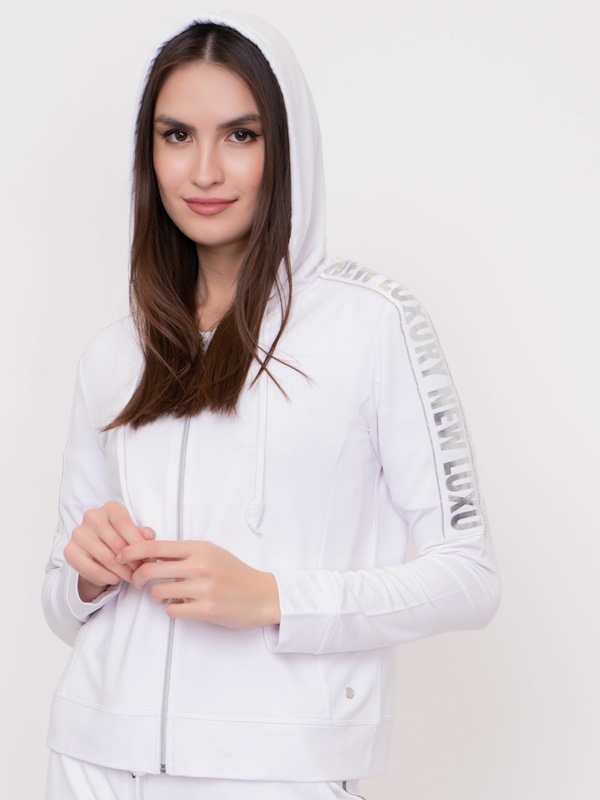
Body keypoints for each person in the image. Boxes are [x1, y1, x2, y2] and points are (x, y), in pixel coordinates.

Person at [42, 10, 501, 800]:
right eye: (176, 135)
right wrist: (84, 575)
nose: (204, 171)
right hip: (91, 761)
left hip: (274, 770)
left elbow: (470, 578)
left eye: (241, 135)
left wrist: (274, 598)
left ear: (287, 149)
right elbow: (60, 604)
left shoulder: (371, 325)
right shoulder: (115, 355)